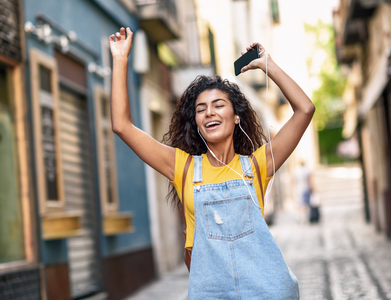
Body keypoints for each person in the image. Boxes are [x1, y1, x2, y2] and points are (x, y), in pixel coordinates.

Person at [109, 27, 314, 300]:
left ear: (236, 116)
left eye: (218, 105)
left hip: (266, 290)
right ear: (196, 123)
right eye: (201, 109)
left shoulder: (257, 165)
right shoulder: (181, 167)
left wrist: (268, 65)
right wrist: (120, 59)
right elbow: (122, 126)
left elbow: (305, 109)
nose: (209, 113)